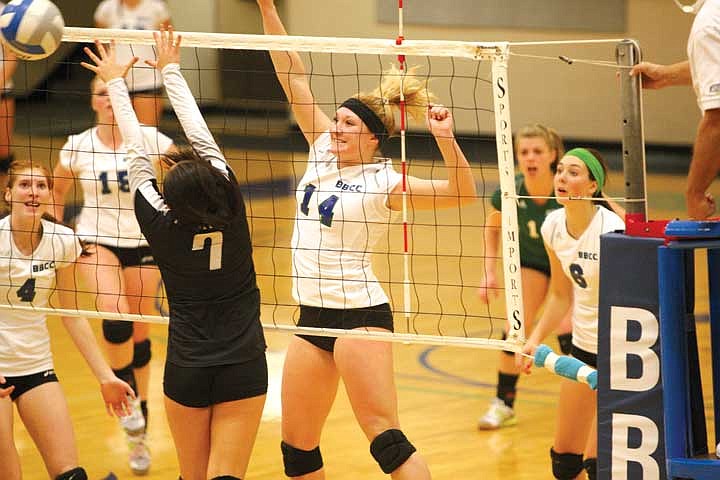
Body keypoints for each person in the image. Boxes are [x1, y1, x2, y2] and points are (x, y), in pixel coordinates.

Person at [258, 2, 477, 478]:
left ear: (374, 138)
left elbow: (462, 193)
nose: (336, 128)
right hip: (310, 315)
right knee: (296, 449)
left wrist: (444, 137)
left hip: (359, 317)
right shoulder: (320, 151)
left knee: (386, 441)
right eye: (336, 119)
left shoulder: (384, 183)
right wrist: (267, 7)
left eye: (348, 124)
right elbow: (291, 75)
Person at [82, 28, 268, 480]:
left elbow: (136, 152)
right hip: (245, 364)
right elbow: (202, 138)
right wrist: (171, 70)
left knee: (192, 475)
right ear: (218, 186)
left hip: (188, 368)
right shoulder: (233, 211)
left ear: (170, 199)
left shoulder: (161, 226)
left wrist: (117, 83)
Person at [52, 74, 174, 475]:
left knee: (139, 334)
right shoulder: (78, 145)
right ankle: (127, 405)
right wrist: (54, 234)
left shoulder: (149, 138)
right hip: (95, 240)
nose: (107, 99)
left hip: (146, 242)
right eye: (100, 94)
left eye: (113, 93)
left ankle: (139, 429)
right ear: (92, 102)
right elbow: (58, 191)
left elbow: (188, 169)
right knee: (114, 312)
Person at [0, 161, 134, 480]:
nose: (33, 192)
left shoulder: (63, 240)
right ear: (8, 194)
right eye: (24, 185)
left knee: (70, 474)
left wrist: (105, 377)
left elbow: (72, 315)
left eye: (41, 185)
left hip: (36, 366)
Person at [519, 148, 625, 480]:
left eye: (574, 172)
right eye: (560, 170)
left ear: (593, 186)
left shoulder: (613, 230)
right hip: (582, 349)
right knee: (565, 463)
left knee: (598, 466)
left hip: (618, 352)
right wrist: (533, 339)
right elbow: (561, 295)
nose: (562, 177)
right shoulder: (553, 226)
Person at [476, 124, 573, 430]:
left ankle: (589, 397)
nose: (530, 158)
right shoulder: (509, 190)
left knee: (570, 329)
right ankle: (504, 404)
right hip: (531, 263)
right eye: (524, 152)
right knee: (514, 330)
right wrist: (489, 271)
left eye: (537, 152)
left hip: (568, 265)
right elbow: (492, 230)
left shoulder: (569, 187)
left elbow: (612, 216)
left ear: (553, 155)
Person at [630, 0, 720, 219]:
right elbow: (711, 65)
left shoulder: (708, 24)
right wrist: (666, 75)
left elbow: (717, 120)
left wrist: (694, 193)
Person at [94, 0, 171, 126]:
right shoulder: (106, 8)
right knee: (115, 137)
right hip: (115, 79)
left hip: (148, 80)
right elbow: (98, 40)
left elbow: (167, 42)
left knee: (148, 135)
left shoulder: (157, 8)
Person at [0, 25, 18, 192]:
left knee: (3, 157)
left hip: (2, 92)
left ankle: (6, 202)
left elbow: (12, 55)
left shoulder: (7, 14)